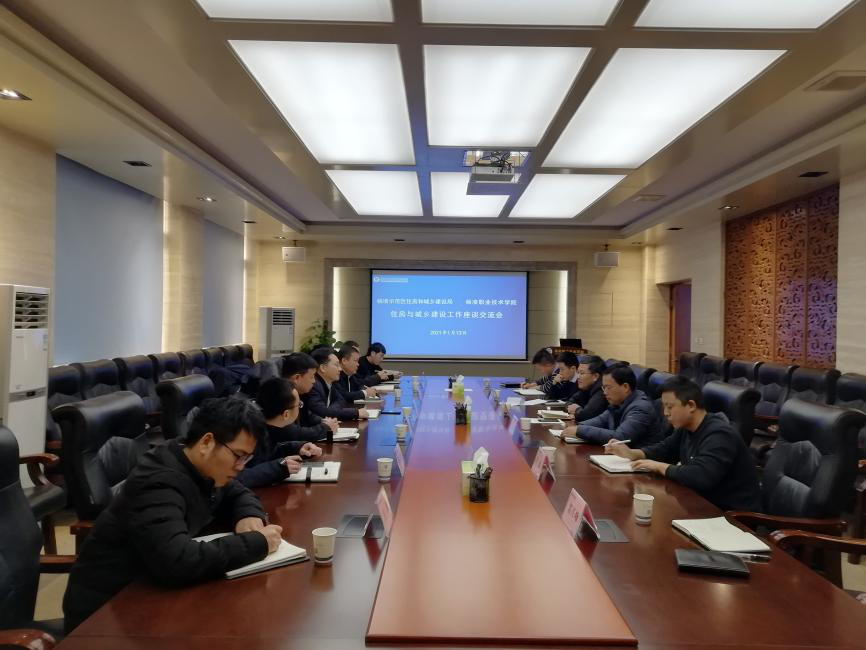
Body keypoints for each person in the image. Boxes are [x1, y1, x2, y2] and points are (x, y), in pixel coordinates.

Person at [62, 397, 283, 633]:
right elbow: (177, 561)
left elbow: (239, 493)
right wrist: (257, 543)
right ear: (207, 442)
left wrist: (247, 514)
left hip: (149, 593)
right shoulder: (157, 481)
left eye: (247, 458)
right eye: (238, 455)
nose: (241, 467)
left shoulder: (195, 461)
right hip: (106, 615)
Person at [604, 376, 761, 511]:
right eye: (664, 407)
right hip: (701, 504)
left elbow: (701, 476)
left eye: (670, 407)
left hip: (731, 515)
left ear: (691, 405)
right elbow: (664, 450)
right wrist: (632, 453)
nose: (665, 413)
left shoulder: (719, 434)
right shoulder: (686, 427)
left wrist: (659, 466)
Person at [236, 378, 323, 488]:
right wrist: (278, 468)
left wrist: (297, 448)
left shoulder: (266, 425)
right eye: (299, 405)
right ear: (286, 414)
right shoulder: (246, 433)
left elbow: (266, 454)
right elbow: (236, 478)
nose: (300, 408)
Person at [568, 364, 661, 447]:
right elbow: (600, 420)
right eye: (604, 388)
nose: (605, 392)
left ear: (625, 387)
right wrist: (575, 427)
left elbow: (620, 438)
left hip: (639, 459)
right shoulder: (618, 403)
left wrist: (580, 430)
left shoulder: (640, 408)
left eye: (608, 387)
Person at [281, 352, 338, 442]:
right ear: (296, 378)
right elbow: (291, 433)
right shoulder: (280, 396)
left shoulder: (301, 393)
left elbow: (307, 415)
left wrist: (323, 421)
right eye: (311, 377)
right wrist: (326, 428)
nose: (314, 381)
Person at [308, 348, 369, 420]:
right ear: (323, 368)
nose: (340, 369)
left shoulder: (330, 383)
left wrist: (331, 411)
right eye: (336, 365)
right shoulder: (313, 385)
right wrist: (356, 413)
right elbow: (322, 412)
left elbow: (341, 400)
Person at [564, 355, 608, 422]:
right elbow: (569, 402)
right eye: (578, 373)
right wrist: (576, 411)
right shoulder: (586, 387)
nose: (578, 377)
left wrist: (576, 410)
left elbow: (586, 415)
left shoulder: (602, 391)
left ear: (596, 376)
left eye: (582, 373)